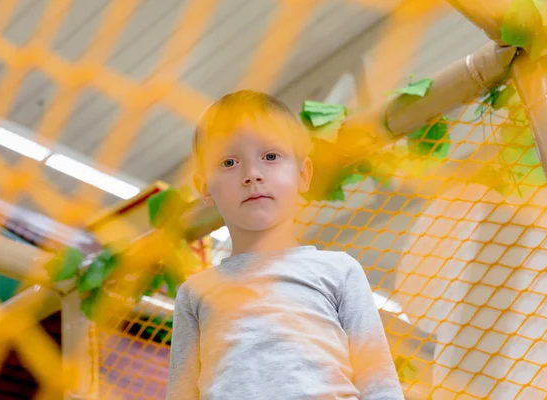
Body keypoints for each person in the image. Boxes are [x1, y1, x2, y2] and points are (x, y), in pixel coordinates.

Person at [167, 90, 404, 399]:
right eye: (228, 162)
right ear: (204, 187)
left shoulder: (338, 271)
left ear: (303, 174)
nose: (252, 175)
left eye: (270, 157)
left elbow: (379, 384)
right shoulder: (194, 294)